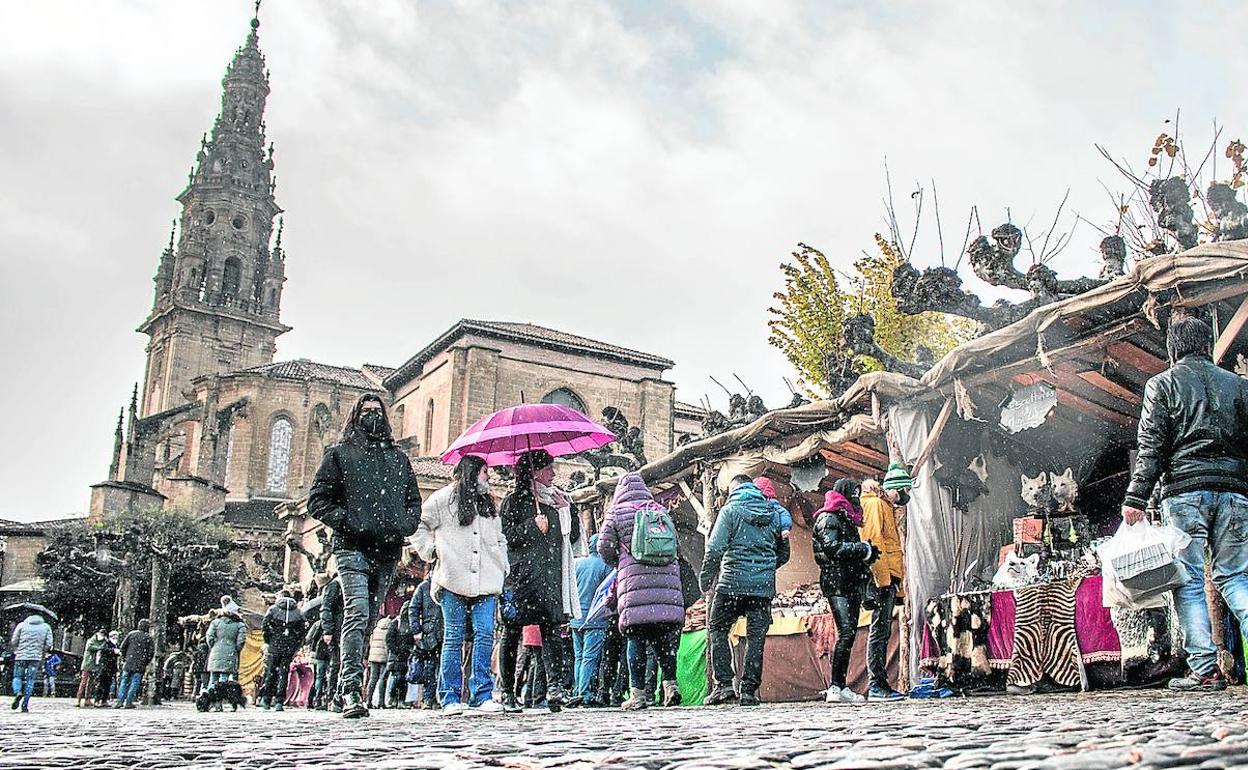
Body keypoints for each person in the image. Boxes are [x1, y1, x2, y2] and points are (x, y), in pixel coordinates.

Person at [1121, 315, 1248, 692]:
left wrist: (1136, 497)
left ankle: (1205, 670)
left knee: (1189, 582)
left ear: (1173, 347)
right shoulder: (1239, 386)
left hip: (1185, 493)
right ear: (1207, 345)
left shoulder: (1163, 385)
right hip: (1235, 492)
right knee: (1237, 576)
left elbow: (1152, 446)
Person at [308, 394, 422, 719]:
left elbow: (413, 500)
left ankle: (348, 686)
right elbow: (317, 501)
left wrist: (405, 524)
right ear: (355, 416)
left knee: (369, 618)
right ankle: (349, 691)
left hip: (387, 550)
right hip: (351, 547)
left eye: (377, 411)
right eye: (366, 411)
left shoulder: (399, 459)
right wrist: (349, 521)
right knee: (356, 612)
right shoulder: (339, 455)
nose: (372, 415)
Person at [598, 472, 686, 710]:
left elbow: (603, 546)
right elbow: (676, 546)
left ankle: (637, 694)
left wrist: (621, 561)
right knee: (664, 638)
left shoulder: (617, 513)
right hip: (666, 583)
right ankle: (671, 686)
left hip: (634, 585)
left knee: (635, 636)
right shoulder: (660, 510)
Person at [700, 475, 790, 706]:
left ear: (734, 488)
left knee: (718, 629)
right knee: (755, 637)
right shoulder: (773, 513)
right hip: (762, 588)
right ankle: (749, 690)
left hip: (731, 583)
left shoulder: (730, 511)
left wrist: (706, 578)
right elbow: (784, 553)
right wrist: (764, 568)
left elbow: (714, 548)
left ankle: (724, 685)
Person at [498, 449, 572, 712]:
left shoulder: (554, 502)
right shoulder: (512, 501)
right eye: (549, 468)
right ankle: (506, 691)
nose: (553, 474)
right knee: (512, 632)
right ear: (535, 472)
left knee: (552, 630)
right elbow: (505, 536)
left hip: (548, 577)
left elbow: (568, 541)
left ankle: (555, 687)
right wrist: (532, 525)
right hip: (520, 579)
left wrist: (565, 513)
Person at [811, 485, 879, 705]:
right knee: (847, 633)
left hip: (849, 581)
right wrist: (862, 549)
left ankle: (839, 685)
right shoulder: (828, 517)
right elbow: (833, 548)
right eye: (855, 494)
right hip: (836, 583)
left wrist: (865, 554)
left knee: (848, 635)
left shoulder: (846, 517)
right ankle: (835, 686)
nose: (858, 498)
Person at [861, 470, 909, 701]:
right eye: (905, 490)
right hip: (882, 578)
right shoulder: (875, 505)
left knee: (882, 630)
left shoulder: (885, 507)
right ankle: (876, 684)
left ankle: (880, 684)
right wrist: (882, 580)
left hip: (888, 578)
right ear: (896, 488)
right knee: (879, 631)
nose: (906, 495)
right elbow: (874, 544)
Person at [569, 532, 611, 707]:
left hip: (576, 618)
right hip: (595, 619)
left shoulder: (577, 565)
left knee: (579, 657)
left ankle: (578, 690)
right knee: (590, 658)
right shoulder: (604, 566)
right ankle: (585, 694)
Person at [259, 590, 307, 711]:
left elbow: (264, 626)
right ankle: (279, 701)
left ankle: (266, 699)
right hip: (288, 647)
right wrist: (295, 645)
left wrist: (269, 640)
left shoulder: (273, 609)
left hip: (275, 645)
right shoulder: (298, 612)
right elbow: (302, 631)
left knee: (271, 672)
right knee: (284, 673)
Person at [206, 602, 247, 711]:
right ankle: (220, 699)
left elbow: (209, 637)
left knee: (213, 678)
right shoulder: (239, 625)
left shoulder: (215, 622)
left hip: (216, 651)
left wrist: (214, 646)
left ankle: (212, 701)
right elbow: (241, 641)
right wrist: (236, 649)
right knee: (224, 679)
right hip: (230, 652)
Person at [9, 613, 54, 712]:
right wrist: (42, 651)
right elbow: (49, 644)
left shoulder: (21, 625)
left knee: (17, 677)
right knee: (30, 680)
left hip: (20, 656)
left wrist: (18, 648)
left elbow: (14, 641)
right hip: (35, 658)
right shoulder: (46, 627)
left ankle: (17, 692)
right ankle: (25, 704)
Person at [116, 619, 155, 709]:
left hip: (128, 662)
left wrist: (125, 658)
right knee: (135, 683)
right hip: (140, 664)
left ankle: (120, 701)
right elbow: (151, 653)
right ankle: (129, 702)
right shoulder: (148, 638)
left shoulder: (131, 634)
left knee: (124, 681)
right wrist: (145, 662)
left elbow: (123, 648)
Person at [319, 573, 344, 711]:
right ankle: (332, 697)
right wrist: (328, 631)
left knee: (341, 664)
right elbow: (326, 608)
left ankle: (339, 696)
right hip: (338, 630)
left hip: (345, 628)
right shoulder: (335, 585)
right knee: (336, 664)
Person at [384, 600, 415, 708]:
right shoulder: (397, 622)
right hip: (397, 655)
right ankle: (393, 698)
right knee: (398, 678)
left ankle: (400, 699)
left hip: (406, 655)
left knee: (403, 679)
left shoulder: (410, 623)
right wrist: (396, 650)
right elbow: (389, 639)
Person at [366, 614, 394, 709]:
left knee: (373, 679)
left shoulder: (375, 630)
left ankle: (368, 701)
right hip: (384, 657)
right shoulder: (389, 630)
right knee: (383, 679)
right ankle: (381, 702)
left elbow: (371, 642)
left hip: (374, 657)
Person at [77, 628, 107, 708]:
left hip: (94, 664)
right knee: (84, 682)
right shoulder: (91, 641)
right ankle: (79, 699)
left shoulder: (102, 641)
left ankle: (87, 699)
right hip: (88, 664)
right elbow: (91, 647)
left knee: (90, 683)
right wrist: (100, 647)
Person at [94, 631, 121, 707]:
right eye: (114, 637)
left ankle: (104, 700)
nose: (115, 638)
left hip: (110, 667)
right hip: (104, 667)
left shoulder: (114, 645)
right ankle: (97, 700)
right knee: (101, 684)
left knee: (107, 685)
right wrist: (113, 651)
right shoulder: (106, 643)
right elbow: (103, 650)